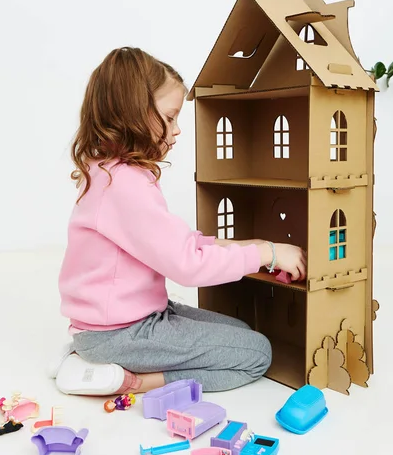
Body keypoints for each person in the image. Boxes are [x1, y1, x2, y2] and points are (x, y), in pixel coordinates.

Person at [50, 47, 307, 396]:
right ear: (133, 114)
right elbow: (187, 265)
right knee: (256, 353)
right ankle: (131, 381)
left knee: (241, 330)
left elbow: (175, 242)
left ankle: (93, 356)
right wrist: (268, 255)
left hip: (128, 320)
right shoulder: (124, 185)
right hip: (120, 333)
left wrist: (248, 245)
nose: (177, 130)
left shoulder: (111, 174)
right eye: (170, 118)